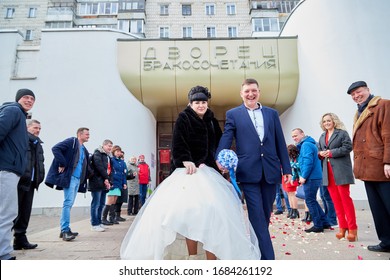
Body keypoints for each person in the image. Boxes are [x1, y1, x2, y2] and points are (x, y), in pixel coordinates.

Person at [120, 85, 260, 260]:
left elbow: (218, 144)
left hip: (209, 172)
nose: (201, 105)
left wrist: (221, 162)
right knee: (189, 215)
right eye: (197, 102)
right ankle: (192, 257)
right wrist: (185, 159)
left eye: (203, 102)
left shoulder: (211, 120)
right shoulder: (183, 118)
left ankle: (213, 259)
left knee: (215, 215)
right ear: (190, 103)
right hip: (189, 173)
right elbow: (178, 142)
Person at [216, 78, 291, 260]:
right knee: (257, 216)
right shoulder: (233, 114)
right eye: (247, 91)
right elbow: (227, 137)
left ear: (259, 92)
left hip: (271, 171)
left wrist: (286, 169)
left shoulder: (272, 114)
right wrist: (220, 157)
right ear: (241, 94)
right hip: (248, 172)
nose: (251, 94)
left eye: (254, 90)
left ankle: (255, 251)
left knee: (264, 215)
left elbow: (280, 141)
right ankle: (268, 260)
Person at [347, 81, 390, 252]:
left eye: (359, 92)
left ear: (368, 90)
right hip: (368, 168)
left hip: (381, 166)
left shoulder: (383, 105)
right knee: (378, 209)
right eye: (353, 95)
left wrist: (388, 161)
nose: (356, 96)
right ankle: (386, 241)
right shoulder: (359, 112)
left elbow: (388, 134)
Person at [0, 89, 35, 260]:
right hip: (6, 169)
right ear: (17, 99)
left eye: (32, 98)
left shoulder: (20, 116)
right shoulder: (13, 110)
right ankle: (3, 253)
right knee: (7, 213)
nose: (29, 100)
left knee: (7, 212)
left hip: (10, 170)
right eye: (25, 97)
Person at [45, 127, 90, 241]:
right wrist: (62, 163)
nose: (88, 136)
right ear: (80, 134)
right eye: (87, 134)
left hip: (77, 179)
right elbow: (55, 148)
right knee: (67, 203)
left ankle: (64, 229)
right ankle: (65, 230)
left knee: (69, 204)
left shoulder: (84, 149)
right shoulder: (72, 142)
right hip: (70, 178)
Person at [318, 112, 357, 241]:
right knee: (336, 202)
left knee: (345, 200)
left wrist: (331, 152)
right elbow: (318, 150)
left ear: (334, 121)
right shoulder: (322, 136)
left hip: (340, 171)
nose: (326, 123)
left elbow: (348, 147)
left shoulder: (342, 133)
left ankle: (352, 229)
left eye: (329, 120)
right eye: (324, 121)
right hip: (328, 172)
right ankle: (342, 228)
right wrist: (321, 153)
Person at [291, 128, 331, 233]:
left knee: (309, 201)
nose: (294, 138)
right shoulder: (308, 144)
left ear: (302, 134)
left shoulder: (306, 145)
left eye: (296, 135)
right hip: (315, 176)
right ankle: (325, 222)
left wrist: (303, 177)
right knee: (312, 200)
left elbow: (308, 162)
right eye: (293, 136)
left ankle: (318, 225)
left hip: (311, 177)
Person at [13, 119, 45, 250]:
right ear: (26, 128)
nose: (37, 130)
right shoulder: (21, 141)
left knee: (25, 212)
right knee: (12, 212)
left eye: (39, 129)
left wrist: (39, 178)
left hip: (31, 183)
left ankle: (20, 239)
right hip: (19, 181)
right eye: (35, 128)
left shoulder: (38, 144)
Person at [88, 139, 113, 231]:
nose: (110, 148)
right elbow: (99, 167)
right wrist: (106, 178)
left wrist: (109, 180)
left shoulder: (108, 156)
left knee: (102, 203)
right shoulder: (97, 153)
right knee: (96, 203)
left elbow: (110, 170)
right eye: (108, 146)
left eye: (111, 146)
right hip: (96, 182)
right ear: (103, 145)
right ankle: (94, 224)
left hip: (104, 183)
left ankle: (99, 222)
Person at [101, 145, 127, 225]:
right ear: (113, 152)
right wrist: (109, 181)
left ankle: (112, 218)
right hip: (113, 182)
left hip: (119, 183)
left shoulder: (122, 162)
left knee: (115, 200)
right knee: (110, 200)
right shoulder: (111, 160)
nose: (118, 153)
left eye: (119, 151)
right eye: (117, 151)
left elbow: (123, 174)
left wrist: (124, 183)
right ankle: (104, 218)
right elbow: (108, 171)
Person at [282, 144, 300, 219]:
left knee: (292, 194)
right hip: (287, 176)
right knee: (289, 194)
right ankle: (292, 209)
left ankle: (295, 210)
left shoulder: (295, 159)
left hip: (293, 176)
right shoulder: (289, 158)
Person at [114, 150, 128, 222]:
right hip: (117, 183)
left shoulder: (123, 163)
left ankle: (118, 216)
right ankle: (115, 216)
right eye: (120, 156)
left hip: (123, 183)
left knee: (121, 200)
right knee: (116, 200)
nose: (121, 157)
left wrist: (131, 176)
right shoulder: (115, 161)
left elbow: (125, 174)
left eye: (122, 156)